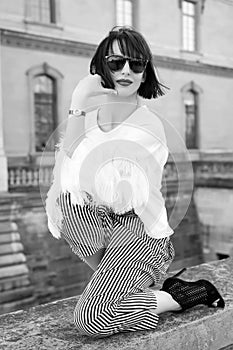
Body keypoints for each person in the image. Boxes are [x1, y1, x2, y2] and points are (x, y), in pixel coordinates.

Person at [45, 26, 225, 338]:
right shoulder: (87, 119)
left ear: (145, 72)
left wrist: (82, 173)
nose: (126, 70)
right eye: (115, 63)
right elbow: (68, 175)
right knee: (64, 203)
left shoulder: (149, 126)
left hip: (140, 229)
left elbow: (123, 196)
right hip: (108, 227)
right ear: (102, 68)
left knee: (91, 319)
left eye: (136, 64)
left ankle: (175, 297)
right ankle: (124, 288)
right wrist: (77, 105)